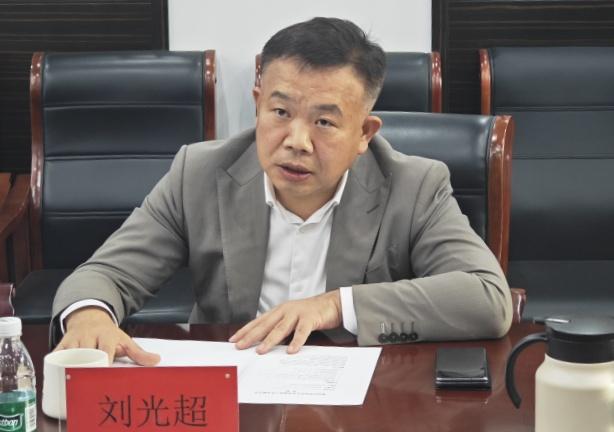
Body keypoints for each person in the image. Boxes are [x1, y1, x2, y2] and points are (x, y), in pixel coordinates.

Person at [51, 17, 512, 366]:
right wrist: (90, 316)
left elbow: (487, 298)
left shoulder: (414, 186)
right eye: (280, 112)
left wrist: (335, 305)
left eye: (324, 121)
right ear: (257, 106)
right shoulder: (200, 173)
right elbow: (104, 275)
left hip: (360, 395)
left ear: (364, 133)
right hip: (235, 388)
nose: (297, 141)